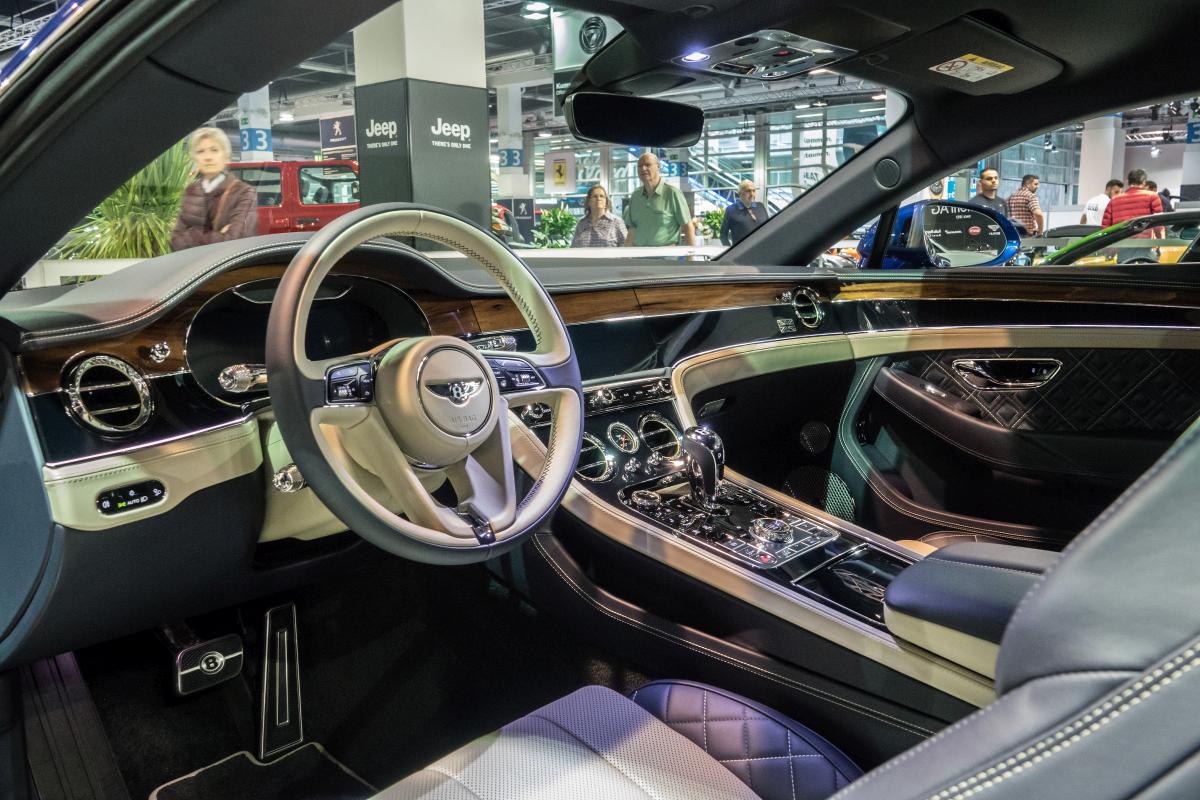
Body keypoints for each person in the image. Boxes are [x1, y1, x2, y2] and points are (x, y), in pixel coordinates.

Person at [171, 127, 258, 251]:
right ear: (195, 159)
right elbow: (175, 241)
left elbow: (236, 241)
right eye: (200, 151)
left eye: (214, 150)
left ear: (226, 156)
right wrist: (219, 235)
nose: (208, 157)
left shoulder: (243, 192)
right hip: (196, 262)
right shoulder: (191, 191)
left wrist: (191, 235)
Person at [623, 152, 695, 247]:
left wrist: (691, 255)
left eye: (647, 165)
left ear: (658, 167)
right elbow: (632, 230)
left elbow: (688, 226)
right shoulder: (635, 196)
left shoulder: (673, 193)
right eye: (640, 166)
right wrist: (626, 254)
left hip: (666, 254)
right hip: (640, 253)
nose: (643, 168)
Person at [1102, 168, 1164, 261]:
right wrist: (1160, 243)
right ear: (1144, 182)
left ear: (1127, 181)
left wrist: (1109, 248)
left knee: (1125, 269)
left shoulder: (1114, 200)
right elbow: (1158, 224)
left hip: (1123, 245)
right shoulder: (1152, 196)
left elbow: (1106, 227)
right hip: (1145, 245)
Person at [719, 179, 770, 245]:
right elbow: (723, 234)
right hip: (743, 250)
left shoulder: (761, 206)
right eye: (748, 191)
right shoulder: (731, 210)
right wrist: (731, 249)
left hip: (762, 248)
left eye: (753, 191)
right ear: (740, 193)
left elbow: (768, 227)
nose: (752, 194)